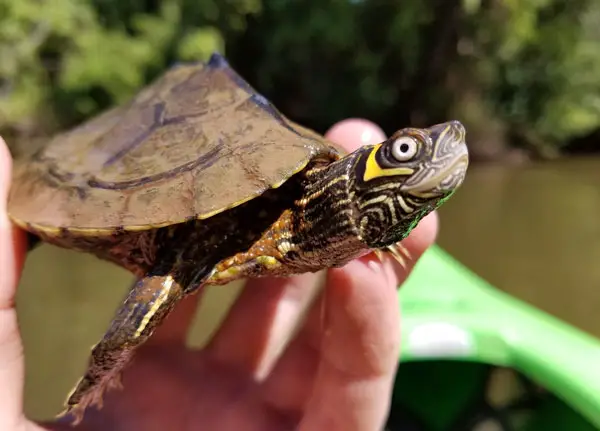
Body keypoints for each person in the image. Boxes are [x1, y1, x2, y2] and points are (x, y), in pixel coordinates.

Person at [0, 119, 438, 431]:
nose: (447, 144)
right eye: (406, 151)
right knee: (175, 267)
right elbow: (167, 272)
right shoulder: (258, 210)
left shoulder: (323, 220)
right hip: (106, 175)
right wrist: (104, 369)